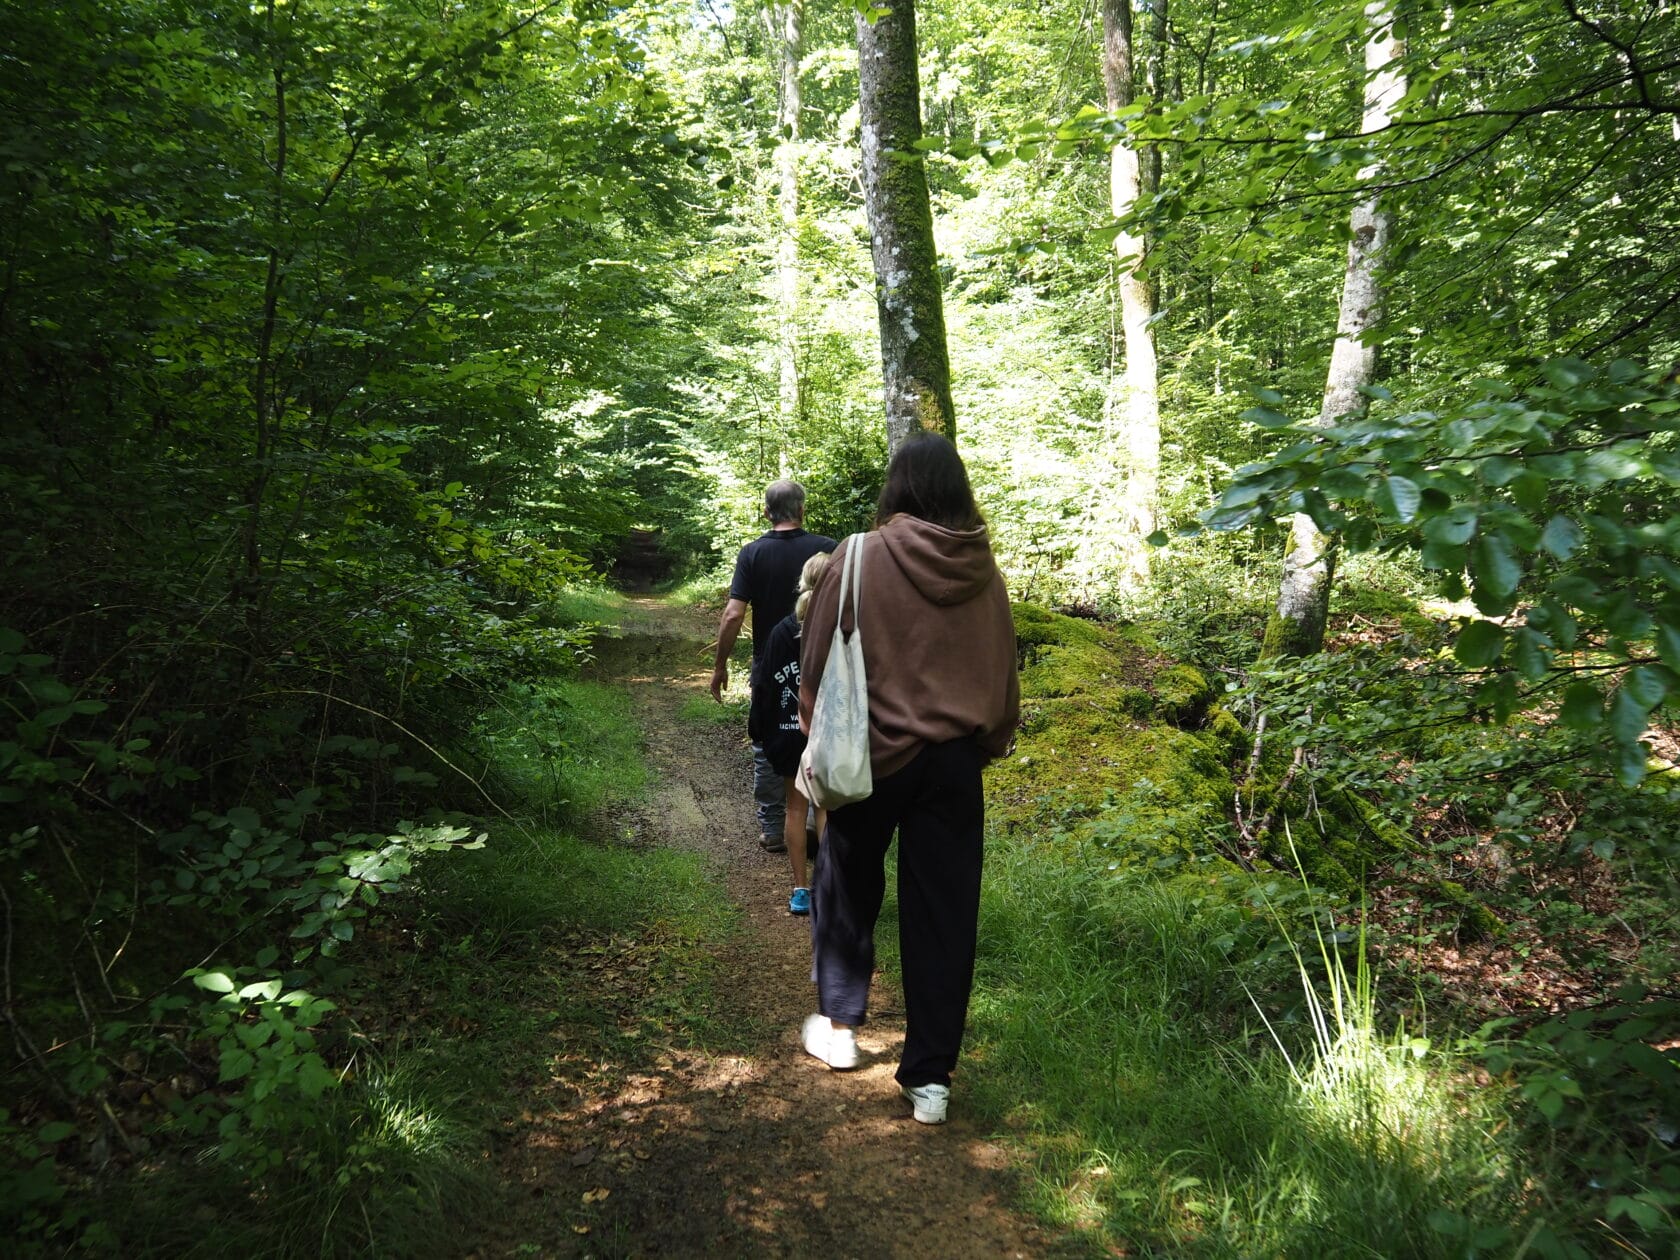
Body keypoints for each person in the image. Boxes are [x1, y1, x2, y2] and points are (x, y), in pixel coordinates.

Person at [796, 433, 1019, 1126]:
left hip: (870, 754)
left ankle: (840, 1029)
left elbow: (815, 654)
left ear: (897, 486)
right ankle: (930, 1080)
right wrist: (990, 740)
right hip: (955, 762)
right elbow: (1003, 665)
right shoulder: (984, 571)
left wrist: (815, 732)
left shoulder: (860, 555)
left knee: (846, 882)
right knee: (945, 913)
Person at [711, 480, 837, 852]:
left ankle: (773, 826)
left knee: (769, 735)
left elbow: (733, 614)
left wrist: (720, 665)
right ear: (802, 510)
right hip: (822, 661)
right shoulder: (828, 549)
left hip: (769, 663)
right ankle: (814, 818)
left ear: (766, 512)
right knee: (818, 732)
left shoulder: (752, 553)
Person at [748, 551, 832, 915]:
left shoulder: (781, 631)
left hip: (787, 734)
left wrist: (759, 730)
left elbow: (764, 685)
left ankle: (800, 890)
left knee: (795, 810)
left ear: (802, 582)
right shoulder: (841, 629)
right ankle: (829, 890)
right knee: (825, 809)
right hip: (827, 734)